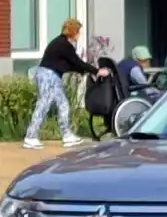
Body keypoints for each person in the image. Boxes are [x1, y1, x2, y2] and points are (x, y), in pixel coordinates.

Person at [23, 18, 110, 150]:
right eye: (78, 32)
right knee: (43, 105)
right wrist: (97, 71)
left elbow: (68, 64)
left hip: (52, 76)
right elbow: (77, 62)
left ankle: (67, 136)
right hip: (48, 76)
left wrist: (86, 72)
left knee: (63, 105)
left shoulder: (62, 44)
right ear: (73, 32)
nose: (79, 35)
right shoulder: (64, 45)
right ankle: (30, 137)